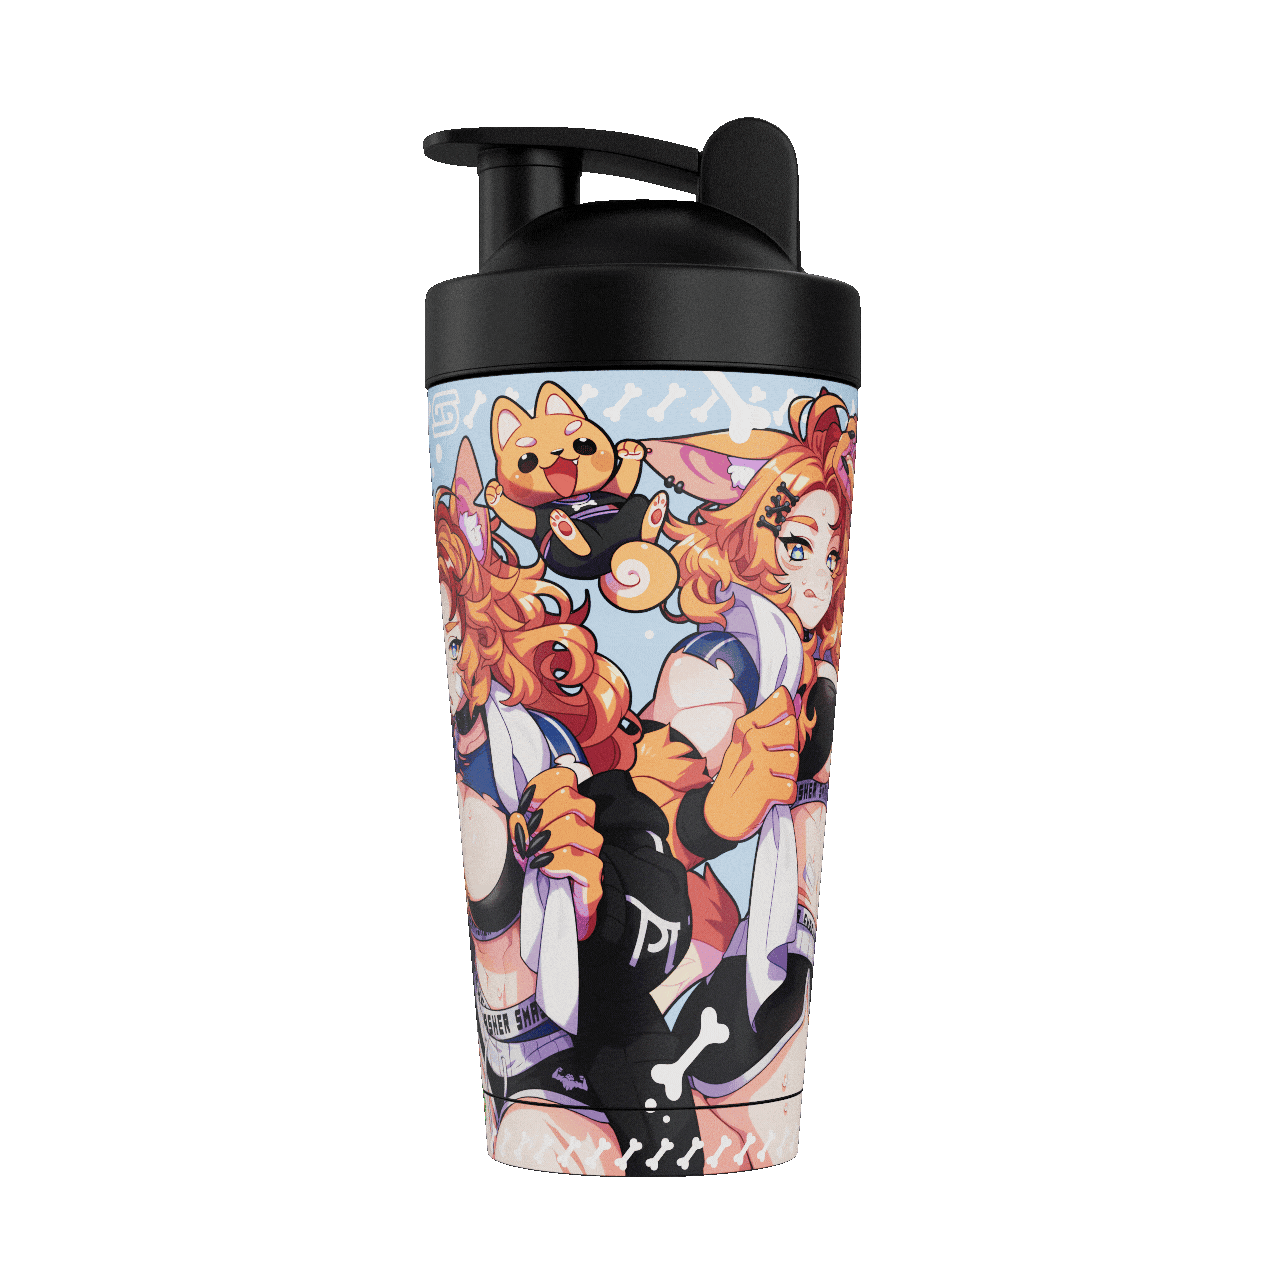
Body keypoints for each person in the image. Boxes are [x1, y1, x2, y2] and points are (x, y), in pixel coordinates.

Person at [630, 389, 854, 1165]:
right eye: (797, 546)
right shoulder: (721, 664)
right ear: (754, 538)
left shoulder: (806, 663)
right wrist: (712, 819)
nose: (819, 578)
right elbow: (638, 813)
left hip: (760, 948)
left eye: (833, 553)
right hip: (674, 957)